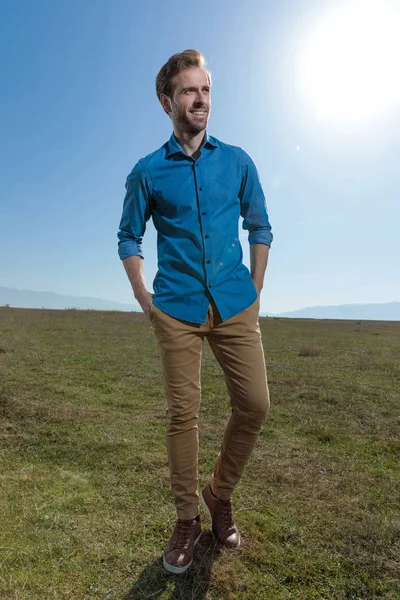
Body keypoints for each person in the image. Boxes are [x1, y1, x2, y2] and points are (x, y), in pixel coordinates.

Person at [118, 49, 273, 574]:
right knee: (183, 416)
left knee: (254, 405)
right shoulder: (147, 171)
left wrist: (253, 289)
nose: (201, 98)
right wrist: (145, 297)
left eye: (206, 88)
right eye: (189, 90)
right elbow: (128, 236)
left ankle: (217, 494)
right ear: (167, 102)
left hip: (234, 303)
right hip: (177, 308)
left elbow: (260, 227)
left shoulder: (238, 161)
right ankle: (187, 518)